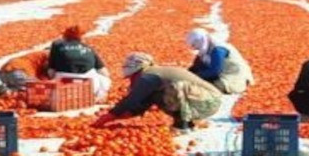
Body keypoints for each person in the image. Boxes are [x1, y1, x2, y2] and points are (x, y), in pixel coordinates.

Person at [91, 52, 222, 131]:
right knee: (158, 94)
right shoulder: (154, 73)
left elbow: (132, 99)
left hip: (208, 102)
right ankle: (188, 123)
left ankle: (182, 125)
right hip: (206, 101)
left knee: (169, 92)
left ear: (137, 70)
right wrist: (127, 114)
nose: (131, 80)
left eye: (131, 76)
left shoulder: (148, 76)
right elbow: (144, 101)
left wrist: (109, 116)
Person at [48, 25, 111, 101]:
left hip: (62, 85)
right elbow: (104, 72)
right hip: (88, 87)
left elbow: (51, 71)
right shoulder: (88, 48)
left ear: (64, 36)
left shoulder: (57, 45)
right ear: (82, 37)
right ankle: (98, 97)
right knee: (105, 79)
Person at [184, 28, 254, 95]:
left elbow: (215, 71)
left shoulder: (218, 49)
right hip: (223, 75)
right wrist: (185, 74)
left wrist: (194, 77)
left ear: (200, 41)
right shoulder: (206, 48)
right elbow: (196, 66)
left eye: (194, 45)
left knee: (206, 88)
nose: (195, 48)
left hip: (234, 77)